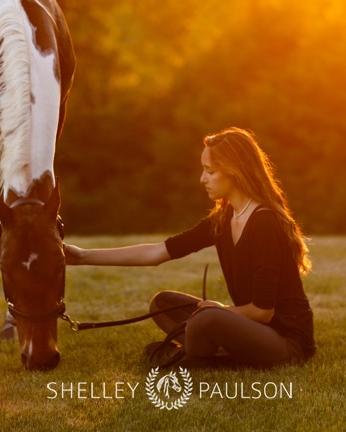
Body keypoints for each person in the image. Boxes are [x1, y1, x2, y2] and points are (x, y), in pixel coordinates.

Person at [64, 127, 316, 369]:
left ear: (234, 171)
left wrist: (222, 311)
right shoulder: (224, 219)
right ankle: (212, 350)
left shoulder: (265, 224)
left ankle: (201, 353)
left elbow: (262, 312)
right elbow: (158, 252)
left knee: (207, 318)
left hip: (286, 342)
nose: (202, 179)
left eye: (210, 171)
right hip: (253, 329)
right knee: (162, 303)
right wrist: (82, 256)